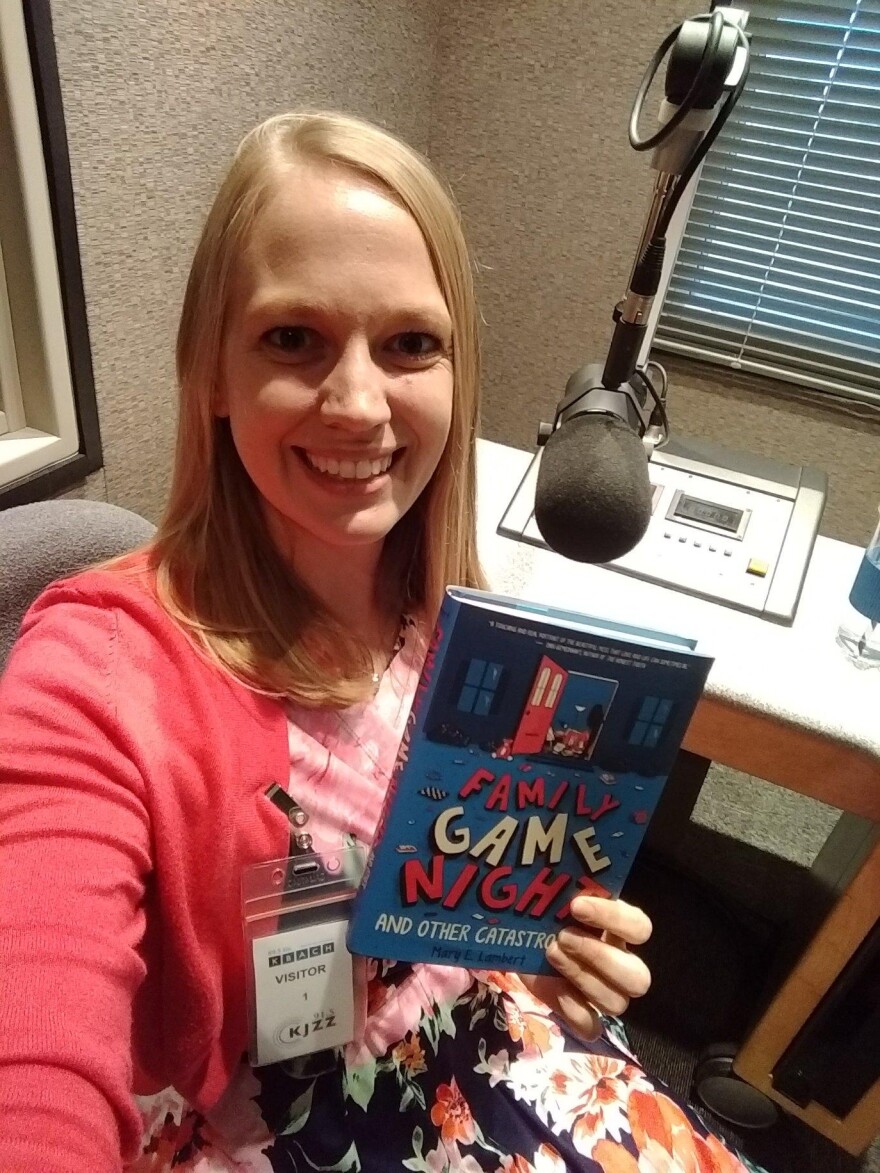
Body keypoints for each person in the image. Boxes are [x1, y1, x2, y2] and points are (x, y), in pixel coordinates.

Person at [0, 111, 765, 1173]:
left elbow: (424, 907)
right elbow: (29, 1039)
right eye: (292, 338)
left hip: (483, 1033)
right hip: (278, 1117)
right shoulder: (95, 676)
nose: (359, 403)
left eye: (410, 343)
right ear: (211, 374)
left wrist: (521, 942)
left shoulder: (460, 621)